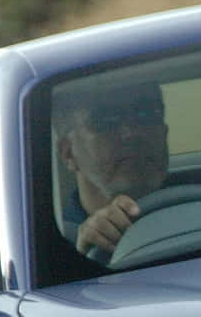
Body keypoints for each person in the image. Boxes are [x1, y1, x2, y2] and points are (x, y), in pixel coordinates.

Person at [55, 81, 170, 257]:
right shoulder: (48, 248)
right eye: (106, 121)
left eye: (147, 114)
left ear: (165, 131)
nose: (132, 133)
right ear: (68, 153)